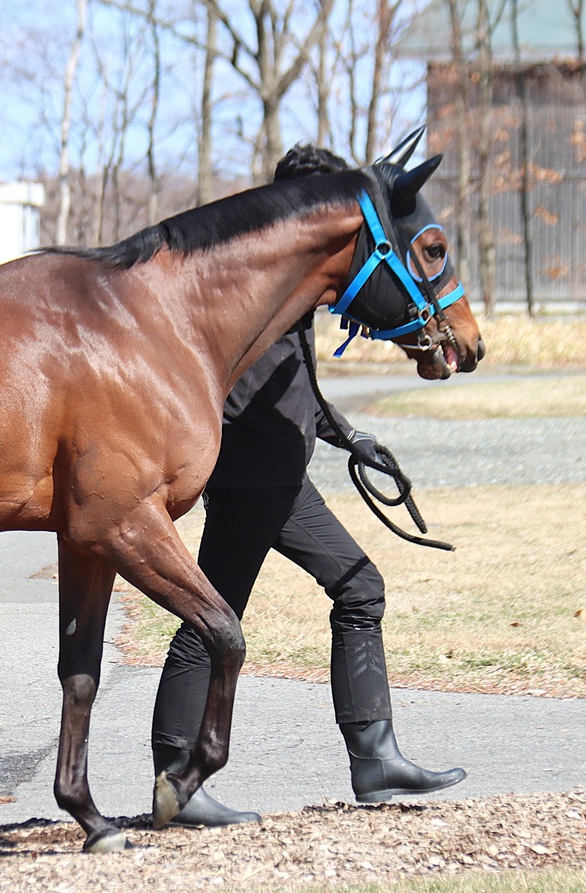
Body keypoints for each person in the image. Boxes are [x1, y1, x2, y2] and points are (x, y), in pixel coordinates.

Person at [150, 144, 467, 827]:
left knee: (359, 586)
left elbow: (294, 392)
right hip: (251, 481)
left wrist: (349, 435)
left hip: (281, 480)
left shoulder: (297, 285)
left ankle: (376, 760)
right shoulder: (255, 288)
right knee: (211, 619)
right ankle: (176, 781)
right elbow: (237, 393)